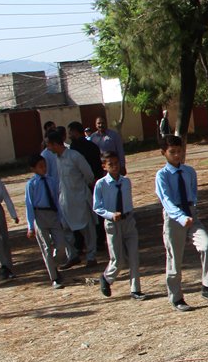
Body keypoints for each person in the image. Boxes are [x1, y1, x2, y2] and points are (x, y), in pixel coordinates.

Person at [155, 135, 208, 311]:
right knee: (174, 259)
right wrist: (180, 216)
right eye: (172, 152)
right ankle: (176, 297)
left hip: (191, 214)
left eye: (180, 151)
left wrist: (191, 211)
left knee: (207, 244)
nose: (177, 155)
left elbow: (193, 192)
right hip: (174, 217)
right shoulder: (162, 175)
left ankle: (207, 286)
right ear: (164, 153)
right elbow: (166, 201)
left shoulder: (189, 171)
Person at [92, 151, 144, 300]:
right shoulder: (101, 184)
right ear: (104, 166)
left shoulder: (126, 182)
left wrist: (131, 215)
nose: (115, 167)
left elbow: (128, 201)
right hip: (113, 223)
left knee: (134, 255)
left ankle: (136, 289)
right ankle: (106, 278)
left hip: (128, 221)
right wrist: (110, 214)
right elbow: (97, 206)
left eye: (116, 163)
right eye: (111, 164)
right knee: (118, 259)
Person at [46, 128, 91, 267]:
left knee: (86, 229)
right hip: (65, 200)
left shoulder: (74, 156)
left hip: (79, 198)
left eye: (49, 144)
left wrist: (81, 190)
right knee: (65, 229)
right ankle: (72, 255)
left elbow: (88, 175)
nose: (47, 148)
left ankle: (91, 256)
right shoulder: (57, 159)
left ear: (55, 144)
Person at [24, 154, 69, 290]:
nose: (44, 168)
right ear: (33, 169)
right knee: (46, 248)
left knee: (61, 245)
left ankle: (54, 264)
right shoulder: (31, 184)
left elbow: (57, 200)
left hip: (53, 214)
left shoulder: (52, 181)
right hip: (39, 215)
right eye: (40, 166)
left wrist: (61, 217)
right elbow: (29, 205)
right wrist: (30, 226)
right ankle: (54, 278)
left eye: (45, 165)